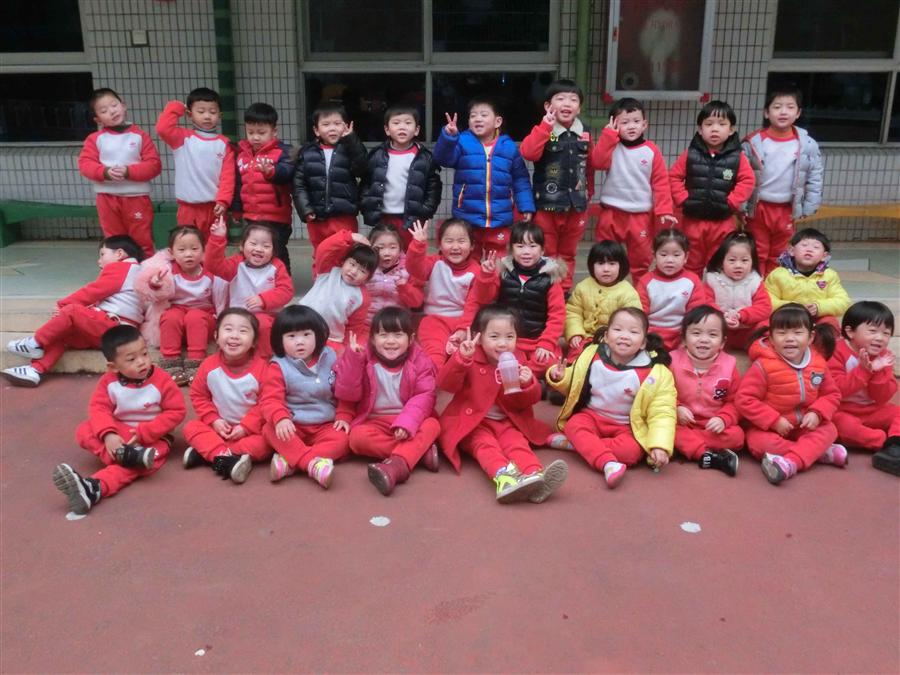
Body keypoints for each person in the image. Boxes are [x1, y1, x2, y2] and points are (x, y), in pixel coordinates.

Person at [437, 305, 568, 504]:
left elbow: (528, 400)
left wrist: (528, 383)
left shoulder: (519, 359)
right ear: (480, 338)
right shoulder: (470, 358)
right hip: (474, 424)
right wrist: (461, 359)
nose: (503, 343)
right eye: (494, 336)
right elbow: (446, 384)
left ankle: (535, 476)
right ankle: (504, 479)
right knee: (486, 447)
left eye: (509, 336)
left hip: (507, 420)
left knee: (517, 444)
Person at [51, 325, 186, 515]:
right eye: (131, 359)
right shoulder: (108, 381)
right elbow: (99, 409)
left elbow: (177, 411)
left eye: (145, 354)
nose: (142, 362)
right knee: (83, 430)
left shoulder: (162, 379)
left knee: (140, 462)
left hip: (153, 439)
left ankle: (94, 488)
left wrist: (146, 431)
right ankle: (127, 457)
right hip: (120, 433)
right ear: (113, 367)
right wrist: (109, 435)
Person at [547, 307, 675, 489]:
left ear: (643, 343)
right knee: (574, 424)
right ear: (606, 336)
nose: (624, 336)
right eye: (617, 329)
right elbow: (575, 383)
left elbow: (662, 412)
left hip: (626, 425)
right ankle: (607, 463)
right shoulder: (592, 355)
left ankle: (577, 444)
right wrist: (560, 377)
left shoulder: (656, 372)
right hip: (591, 415)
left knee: (631, 453)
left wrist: (659, 444)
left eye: (633, 332)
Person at [4, 235, 146, 387]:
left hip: (114, 328)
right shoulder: (134, 272)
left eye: (102, 254)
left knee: (72, 310)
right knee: (63, 334)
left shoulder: (123, 268)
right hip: (113, 334)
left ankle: (36, 342)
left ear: (119, 253)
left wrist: (64, 305)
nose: (99, 261)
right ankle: (35, 370)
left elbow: (92, 291)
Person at [334, 308, 441, 496]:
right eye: (383, 335)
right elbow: (347, 391)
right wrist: (353, 360)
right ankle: (418, 453)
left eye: (398, 335)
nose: (390, 341)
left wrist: (406, 423)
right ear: (372, 339)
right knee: (356, 438)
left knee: (433, 425)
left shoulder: (420, 361)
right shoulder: (361, 356)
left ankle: (396, 467)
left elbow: (424, 396)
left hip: (410, 419)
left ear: (411, 339)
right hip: (374, 420)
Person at [735, 304, 845, 485]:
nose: (790, 339)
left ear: (810, 337)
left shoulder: (818, 363)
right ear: (771, 338)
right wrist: (774, 420)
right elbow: (744, 399)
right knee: (757, 443)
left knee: (829, 429)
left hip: (805, 424)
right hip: (770, 427)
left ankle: (791, 463)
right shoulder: (763, 365)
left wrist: (817, 413)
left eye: (797, 332)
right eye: (782, 333)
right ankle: (817, 452)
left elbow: (831, 394)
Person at [433, 98, 535, 258]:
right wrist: (449, 137)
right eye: (473, 116)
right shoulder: (461, 142)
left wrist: (526, 206)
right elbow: (443, 159)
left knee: (497, 260)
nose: (477, 119)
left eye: (484, 115)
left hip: (499, 218)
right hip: (467, 217)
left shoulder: (509, 147)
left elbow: (520, 180)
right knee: (468, 259)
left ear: (497, 121)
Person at [260, 306, 350, 488]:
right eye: (291, 336)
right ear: (280, 340)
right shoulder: (278, 366)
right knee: (269, 430)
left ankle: (290, 461)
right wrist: (280, 418)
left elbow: (344, 390)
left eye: (306, 334)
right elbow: (270, 399)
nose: (300, 342)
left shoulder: (331, 356)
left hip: (325, 424)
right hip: (293, 425)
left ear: (317, 335)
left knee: (344, 439)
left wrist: (344, 415)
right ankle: (312, 465)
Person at [519, 79, 595, 292]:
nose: (567, 103)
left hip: (576, 206)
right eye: (560, 99)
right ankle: (546, 291)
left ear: (579, 108)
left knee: (568, 253)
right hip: (547, 205)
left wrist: (589, 191)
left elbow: (590, 165)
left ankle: (564, 292)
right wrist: (545, 126)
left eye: (573, 100)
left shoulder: (585, 132)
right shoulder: (544, 130)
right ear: (548, 106)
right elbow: (528, 152)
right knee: (547, 252)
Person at [464, 221, 565, 376]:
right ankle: (528, 376)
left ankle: (529, 375)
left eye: (532, 246)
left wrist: (547, 342)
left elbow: (557, 315)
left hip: (537, 341)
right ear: (511, 249)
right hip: (508, 340)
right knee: (488, 357)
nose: (526, 252)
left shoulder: (550, 278)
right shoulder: (503, 272)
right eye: (520, 246)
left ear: (542, 250)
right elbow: (484, 298)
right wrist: (486, 276)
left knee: (550, 362)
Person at [592, 97, 676, 282]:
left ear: (644, 124)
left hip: (640, 216)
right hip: (611, 213)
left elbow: (661, 182)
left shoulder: (651, 150)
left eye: (636, 121)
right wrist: (608, 135)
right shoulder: (611, 146)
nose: (631, 126)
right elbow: (597, 162)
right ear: (614, 124)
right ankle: (608, 290)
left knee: (641, 260)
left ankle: (641, 294)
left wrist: (664, 210)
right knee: (606, 255)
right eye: (624, 122)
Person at [183, 308, 271, 484]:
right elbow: (199, 396)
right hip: (219, 427)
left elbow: (266, 403)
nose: (234, 336)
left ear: (254, 342)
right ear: (216, 336)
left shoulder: (263, 369)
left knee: (268, 441)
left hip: (251, 431)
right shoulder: (208, 366)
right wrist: (213, 420)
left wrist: (245, 427)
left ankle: (210, 452)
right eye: (228, 329)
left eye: (243, 331)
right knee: (191, 428)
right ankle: (227, 457)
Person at [743, 86, 824, 274]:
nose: (783, 112)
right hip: (758, 207)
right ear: (766, 112)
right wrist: (741, 205)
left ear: (798, 113)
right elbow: (741, 176)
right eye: (777, 107)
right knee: (757, 251)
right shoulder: (753, 142)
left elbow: (815, 175)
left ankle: (774, 287)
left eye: (790, 107)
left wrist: (809, 205)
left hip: (787, 208)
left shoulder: (807, 144)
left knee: (780, 253)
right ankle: (757, 288)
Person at [669, 100, 755, 276]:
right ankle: (692, 292)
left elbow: (748, 180)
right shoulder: (690, 154)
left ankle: (713, 293)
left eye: (721, 124)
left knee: (718, 264)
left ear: (731, 130)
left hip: (722, 221)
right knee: (691, 263)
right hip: (692, 220)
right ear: (700, 129)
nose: (715, 129)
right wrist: (682, 199)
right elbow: (673, 176)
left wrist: (732, 202)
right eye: (709, 124)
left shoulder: (737, 157)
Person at [78, 88, 161, 257]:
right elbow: (85, 164)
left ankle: (146, 268)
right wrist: (104, 172)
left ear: (123, 105)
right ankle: (118, 269)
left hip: (137, 198)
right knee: (113, 240)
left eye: (114, 105)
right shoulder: (95, 139)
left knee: (141, 238)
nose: (112, 111)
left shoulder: (140, 136)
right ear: (97, 119)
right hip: (107, 198)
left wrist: (129, 171)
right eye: (104, 111)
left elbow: (154, 165)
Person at [139, 226, 227, 385]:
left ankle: (196, 362)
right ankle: (170, 362)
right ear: (171, 253)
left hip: (203, 319)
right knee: (170, 316)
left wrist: (221, 326)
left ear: (204, 250)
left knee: (195, 316)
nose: (188, 254)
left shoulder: (211, 273)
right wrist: (156, 284)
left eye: (194, 249)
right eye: (181, 249)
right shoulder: (167, 272)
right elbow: (156, 296)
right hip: (177, 317)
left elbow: (221, 302)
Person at [204, 217, 294, 360]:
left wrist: (264, 300)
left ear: (274, 250)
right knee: (230, 328)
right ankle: (232, 357)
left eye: (266, 246)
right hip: (237, 314)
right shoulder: (236, 263)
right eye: (253, 243)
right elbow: (213, 265)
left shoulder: (277, 266)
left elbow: (286, 290)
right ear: (242, 246)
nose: (259, 249)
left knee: (263, 325)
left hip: (267, 315)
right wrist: (217, 238)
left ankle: (263, 360)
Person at [828, 301, 899, 474]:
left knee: (896, 412)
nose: (880, 338)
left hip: (872, 409)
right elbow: (837, 390)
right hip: (842, 409)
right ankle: (884, 444)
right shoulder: (837, 351)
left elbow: (881, 398)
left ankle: (896, 443)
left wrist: (878, 371)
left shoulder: (884, 356)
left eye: (886, 333)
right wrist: (865, 370)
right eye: (872, 331)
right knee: (842, 425)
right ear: (850, 332)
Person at [671, 306, 743, 475]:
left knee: (737, 436)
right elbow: (661, 394)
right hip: (680, 422)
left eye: (712, 335)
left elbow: (735, 401)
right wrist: (676, 407)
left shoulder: (729, 365)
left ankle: (689, 447)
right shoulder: (672, 361)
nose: (704, 340)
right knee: (667, 429)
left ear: (723, 342)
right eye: (696, 333)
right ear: (683, 339)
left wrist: (723, 418)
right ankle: (705, 454)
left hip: (711, 424)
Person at [156, 87, 235, 238]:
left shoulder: (224, 144)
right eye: (201, 111)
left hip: (215, 207)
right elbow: (162, 128)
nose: (207, 116)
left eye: (212, 112)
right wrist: (176, 107)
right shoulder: (182, 138)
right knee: (188, 245)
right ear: (189, 114)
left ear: (220, 115)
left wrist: (223, 201)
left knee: (215, 245)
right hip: (187, 208)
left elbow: (228, 177)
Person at [359, 106, 442, 249]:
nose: (402, 127)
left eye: (408, 123)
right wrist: (366, 203)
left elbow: (433, 187)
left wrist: (425, 210)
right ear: (387, 130)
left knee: (412, 252)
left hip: (412, 217)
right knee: (385, 253)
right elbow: (366, 182)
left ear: (416, 130)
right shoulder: (377, 155)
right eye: (396, 123)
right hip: (383, 216)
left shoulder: (424, 157)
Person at [292, 102, 367, 255]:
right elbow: (299, 185)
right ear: (316, 130)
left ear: (346, 126)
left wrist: (352, 140)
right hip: (316, 216)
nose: (332, 128)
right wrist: (305, 209)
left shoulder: (350, 149)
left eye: (337, 124)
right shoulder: (307, 153)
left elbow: (362, 168)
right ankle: (322, 272)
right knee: (321, 252)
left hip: (344, 214)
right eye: (326, 124)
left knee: (346, 252)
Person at [406, 219, 481, 367]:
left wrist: (462, 329)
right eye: (449, 241)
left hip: (464, 321)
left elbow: (473, 304)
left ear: (472, 245)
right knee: (434, 357)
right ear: (439, 244)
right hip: (434, 320)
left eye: (461, 241)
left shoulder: (476, 271)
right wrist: (418, 245)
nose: (455, 247)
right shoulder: (435, 262)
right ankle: (434, 380)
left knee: (468, 358)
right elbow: (415, 269)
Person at [232, 102, 296, 273]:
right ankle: (256, 282)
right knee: (252, 252)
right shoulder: (242, 155)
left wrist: (271, 172)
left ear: (274, 131)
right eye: (250, 132)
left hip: (276, 218)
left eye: (261, 133)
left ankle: (283, 282)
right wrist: (237, 210)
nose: (255, 137)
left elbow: (287, 172)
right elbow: (239, 184)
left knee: (277, 252)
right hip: (251, 216)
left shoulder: (283, 152)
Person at [297, 229, 377, 354]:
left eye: (362, 271)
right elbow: (324, 250)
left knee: (336, 357)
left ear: (368, 278)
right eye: (352, 264)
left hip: (330, 338)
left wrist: (347, 347)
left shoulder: (362, 297)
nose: (353, 271)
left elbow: (354, 326)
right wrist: (348, 237)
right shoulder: (328, 270)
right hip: (300, 325)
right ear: (343, 261)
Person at [636, 228, 711, 351]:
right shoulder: (645, 281)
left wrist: (686, 335)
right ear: (654, 256)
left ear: (686, 257)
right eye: (663, 255)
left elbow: (696, 314)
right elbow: (639, 313)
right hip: (650, 334)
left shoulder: (692, 281)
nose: (670, 260)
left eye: (676, 255)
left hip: (681, 334)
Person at [565, 240, 642, 359]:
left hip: (614, 341)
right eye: (600, 263)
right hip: (585, 337)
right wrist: (575, 333)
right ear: (592, 265)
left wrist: (615, 338)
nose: (606, 269)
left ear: (621, 265)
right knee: (576, 357)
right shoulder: (583, 287)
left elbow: (633, 321)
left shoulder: (627, 292)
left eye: (612, 263)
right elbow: (573, 312)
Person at [764, 227, 851, 331]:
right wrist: (792, 307)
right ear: (791, 251)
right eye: (804, 245)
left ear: (824, 256)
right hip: (787, 318)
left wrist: (819, 307)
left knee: (830, 323)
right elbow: (767, 301)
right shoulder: (778, 274)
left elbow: (843, 301)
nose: (809, 249)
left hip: (817, 318)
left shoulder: (829, 275)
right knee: (764, 324)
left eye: (816, 247)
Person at [704, 231, 771, 350]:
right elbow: (705, 303)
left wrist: (741, 315)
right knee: (699, 323)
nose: (738, 265)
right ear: (721, 261)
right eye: (732, 260)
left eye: (744, 260)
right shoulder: (713, 280)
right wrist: (721, 316)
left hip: (748, 330)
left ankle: (759, 351)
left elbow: (764, 308)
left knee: (767, 325)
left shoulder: (754, 281)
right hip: (720, 328)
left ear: (752, 262)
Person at [364, 224, 424, 324]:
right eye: (380, 248)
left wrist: (406, 288)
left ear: (400, 248)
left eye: (392, 247)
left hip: (397, 325)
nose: (387, 253)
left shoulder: (408, 270)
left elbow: (417, 303)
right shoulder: (364, 267)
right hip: (367, 323)